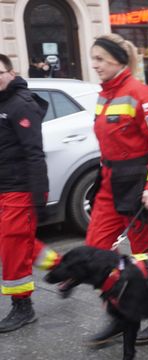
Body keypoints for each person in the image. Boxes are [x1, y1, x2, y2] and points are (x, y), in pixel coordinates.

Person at [85, 33, 148, 346]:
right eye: (92, 58)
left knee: (146, 257)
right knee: (96, 252)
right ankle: (120, 314)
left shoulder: (141, 94)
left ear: (118, 61)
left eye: (99, 59)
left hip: (139, 185)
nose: (94, 65)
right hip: (109, 182)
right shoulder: (104, 95)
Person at [0, 53, 49, 333]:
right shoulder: (2, 101)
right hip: (3, 187)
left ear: (11, 72)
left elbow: (34, 154)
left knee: (14, 249)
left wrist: (39, 197)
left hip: (18, 190)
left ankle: (23, 307)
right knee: (19, 245)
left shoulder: (20, 104)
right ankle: (62, 266)